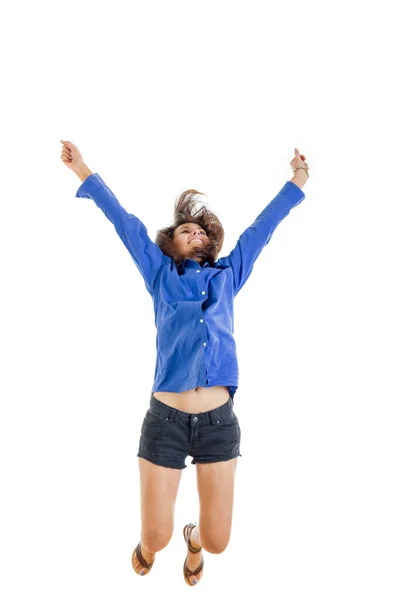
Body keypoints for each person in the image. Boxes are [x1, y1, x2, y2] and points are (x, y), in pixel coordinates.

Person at [60, 140, 309, 585]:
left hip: (218, 424)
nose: (196, 235)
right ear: (170, 244)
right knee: (155, 537)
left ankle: (192, 539)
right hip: (166, 421)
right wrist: (83, 171)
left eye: (201, 232)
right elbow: (125, 223)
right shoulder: (160, 275)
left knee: (217, 543)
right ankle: (150, 543)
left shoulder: (228, 275)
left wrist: (297, 180)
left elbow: (261, 229)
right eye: (185, 231)